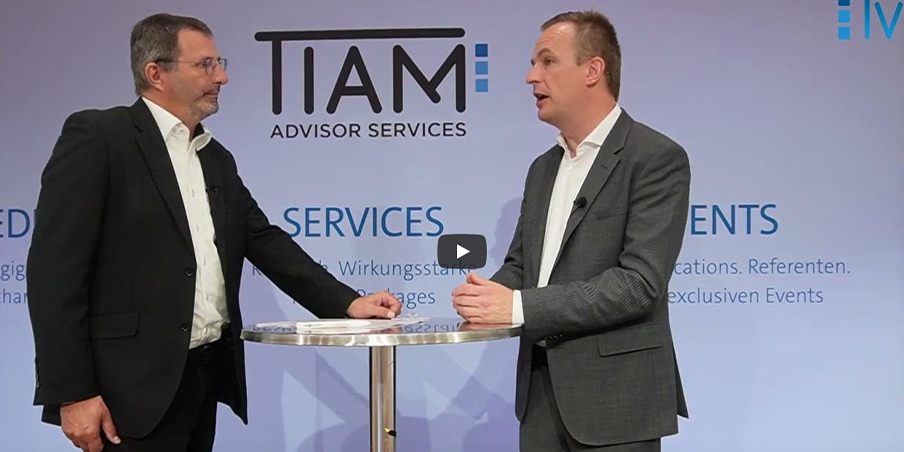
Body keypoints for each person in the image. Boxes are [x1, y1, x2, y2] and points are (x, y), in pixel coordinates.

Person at [26, 13, 401, 452]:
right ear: (156, 73)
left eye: (219, 63)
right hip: (125, 394)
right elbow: (54, 273)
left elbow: (264, 240)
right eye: (205, 65)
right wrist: (72, 392)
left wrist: (347, 302)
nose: (221, 77)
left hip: (202, 380)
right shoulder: (100, 137)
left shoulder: (215, 157)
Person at [452, 10, 690, 452]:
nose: (531, 76)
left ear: (592, 70)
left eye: (547, 61)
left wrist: (518, 306)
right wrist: (487, 297)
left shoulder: (654, 158)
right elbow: (524, 265)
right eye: (533, 63)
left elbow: (639, 284)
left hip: (618, 404)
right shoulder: (542, 169)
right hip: (541, 400)